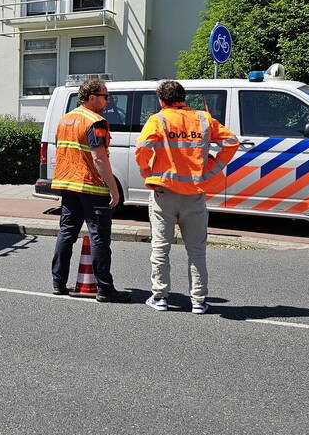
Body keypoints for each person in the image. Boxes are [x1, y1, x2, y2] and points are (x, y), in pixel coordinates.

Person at [134, 80, 238, 314]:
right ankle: (199, 301)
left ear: (161, 100)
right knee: (197, 250)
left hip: (164, 193)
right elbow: (231, 142)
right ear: (183, 98)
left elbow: (141, 149)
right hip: (194, 194)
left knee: (161, 247)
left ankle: (160, 297)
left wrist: (147, 173)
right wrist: (210, 170)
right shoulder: (202, 119)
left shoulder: (158, 119)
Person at [50, 79, 128, 303]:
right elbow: (99, 157)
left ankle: (58, 282)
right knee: (99, 239)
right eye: (105, 96)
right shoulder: (96, 122)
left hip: (68, 185)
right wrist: (114, 189)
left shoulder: (65, 119)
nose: (108, 100)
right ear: (92, 97)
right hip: (92, 187)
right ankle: (104, 289)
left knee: (66, 234)